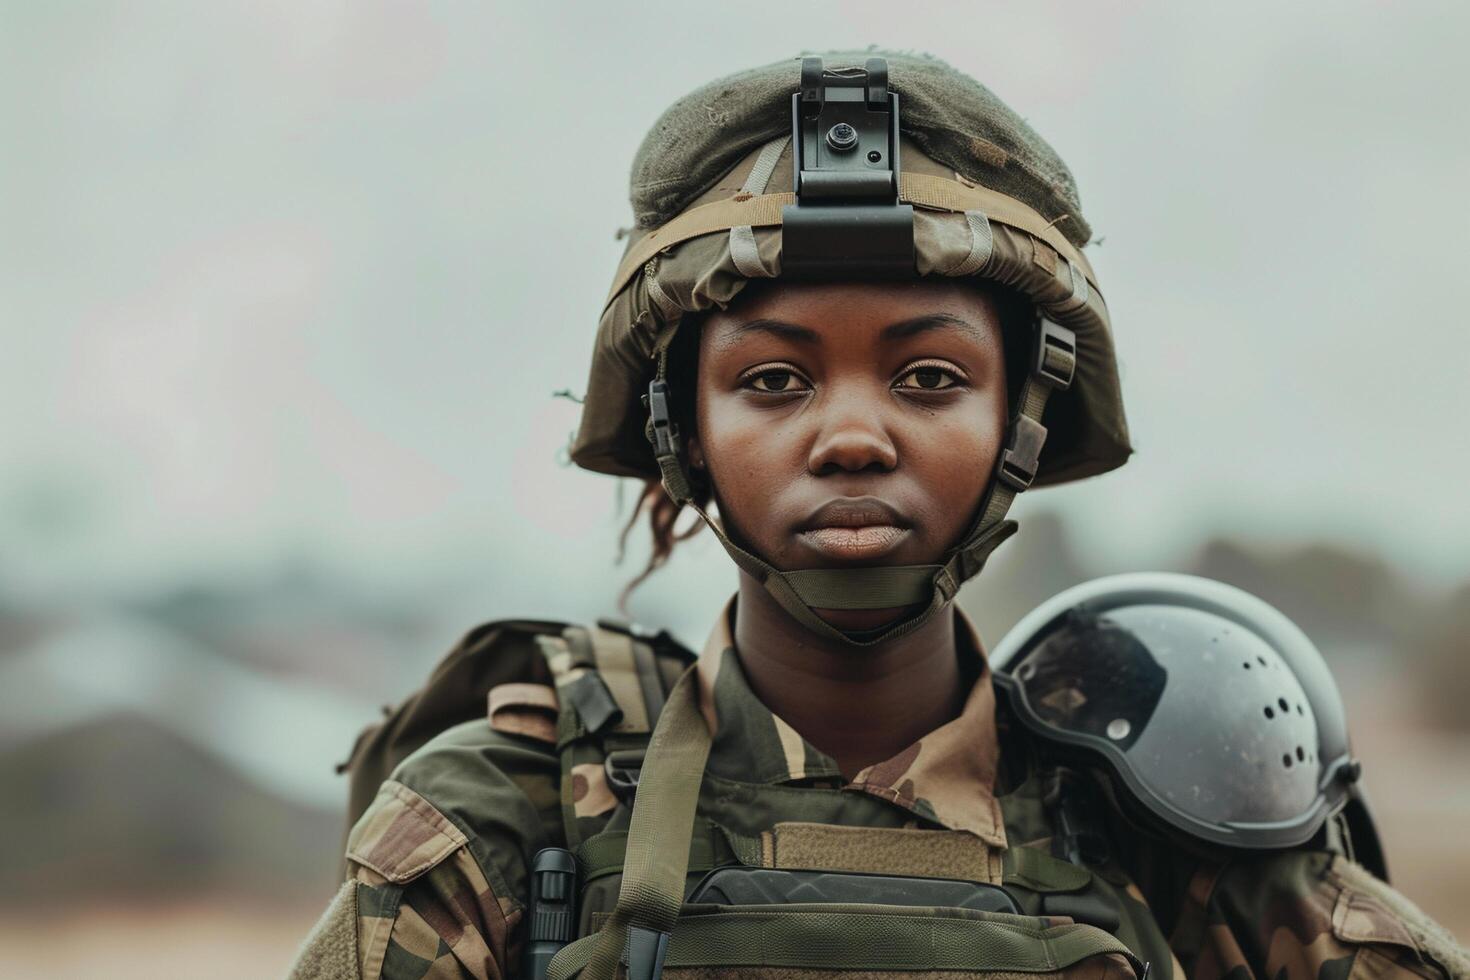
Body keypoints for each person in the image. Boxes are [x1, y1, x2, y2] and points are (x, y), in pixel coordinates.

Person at [287, 52, 1465, 980]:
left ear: (1025, 418)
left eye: (929, 378)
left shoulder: (1170, 820)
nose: (852, 435)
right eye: (773, 380)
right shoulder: (515, 815)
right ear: (680, 428)